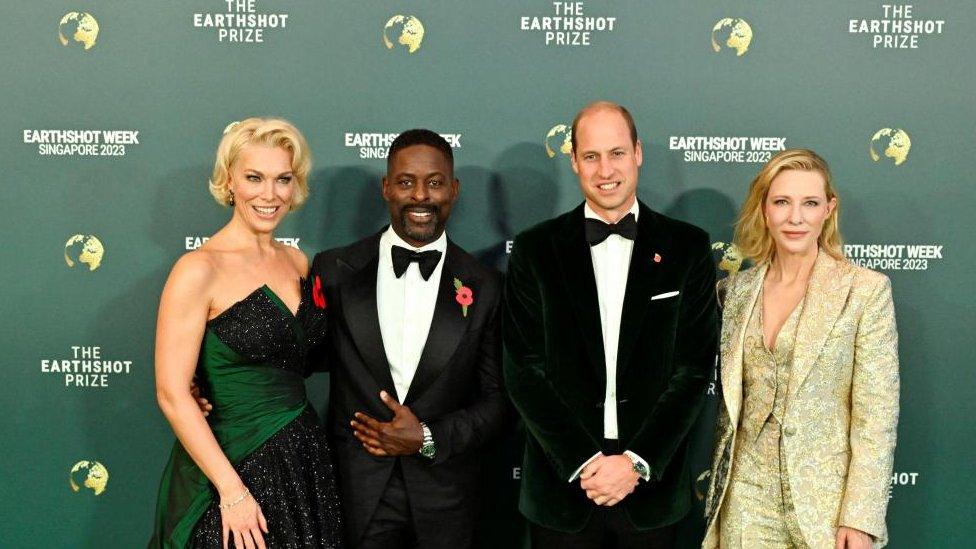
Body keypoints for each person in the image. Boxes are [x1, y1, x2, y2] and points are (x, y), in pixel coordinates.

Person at [503, 101, 719, 548]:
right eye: (591, 156)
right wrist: (586, 463)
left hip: (652, 494)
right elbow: (523, 370)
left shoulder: (687, 247)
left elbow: (694, 369)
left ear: (638, 153)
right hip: (563, 492)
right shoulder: (535, 250)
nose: (606, 170)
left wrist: (635, 462)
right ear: (574, 161)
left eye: (617, 153)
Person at [308, 129, 511, 548]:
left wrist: (428, 437)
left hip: (448, 498)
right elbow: (296, 358)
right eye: (406, 182)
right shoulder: (334, 271)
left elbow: (498, 402)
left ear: (453, 190)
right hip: (356, 494)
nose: (421, 196)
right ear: (386, 187)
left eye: (435, 182)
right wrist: (216, 383)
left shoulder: (487, 285)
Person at [150, 118, 342, 548]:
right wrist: (232, 493)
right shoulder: (198, 269)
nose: (269, 195)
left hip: (302, 461)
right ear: (229, 180)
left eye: (282, 179)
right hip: (229, 467)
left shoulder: (297, 262)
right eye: (254, 178)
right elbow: (172, 393)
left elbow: (304, 359)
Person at [702, 149, 899, 549]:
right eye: (782, 202)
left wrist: (860, 518)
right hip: (745, 498)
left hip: (824, 505)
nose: (795, 217)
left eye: (809, 203)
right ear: (764, 209)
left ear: (829, 209)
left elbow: (876, 418)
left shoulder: (864, 291)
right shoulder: (736, 291)